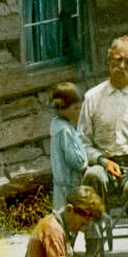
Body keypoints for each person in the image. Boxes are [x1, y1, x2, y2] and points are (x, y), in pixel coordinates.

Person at [79, 35, 128, 257]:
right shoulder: (92, 97)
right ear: (108, 61)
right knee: (91, 179)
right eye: (117, 59)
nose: (122, 66)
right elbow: (82, 141)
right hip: (104, 163)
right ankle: (94, 248)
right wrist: (101, 161)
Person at [48, 82, 89, 212]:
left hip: (61, 186)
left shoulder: (56, 124)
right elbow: (78, 162)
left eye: (80, 108)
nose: (78, 112)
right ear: (61, 107)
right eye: (75, 109)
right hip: (69, 186)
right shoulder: (65, 130)